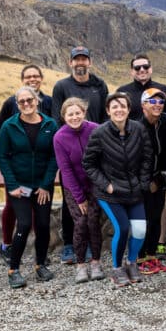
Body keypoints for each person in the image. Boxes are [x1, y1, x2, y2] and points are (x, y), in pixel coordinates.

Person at [83, 92, 153, 287]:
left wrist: (142, 182)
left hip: (135, 191)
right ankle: (116, 268)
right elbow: (89, 164)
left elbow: (148, 158)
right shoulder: (99, 133)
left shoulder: (138, 129)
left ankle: (131, 263)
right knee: (122, 228)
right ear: (108, 111)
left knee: (139, 230)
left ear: (129, 109)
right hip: (110, 193)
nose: (119, 109)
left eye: (123, 106)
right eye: (114, 107)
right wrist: (107, 185)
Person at [0, 85, 60, 289]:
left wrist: (45, 185)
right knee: (23, 224)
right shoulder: (9, 126)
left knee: (42, 225)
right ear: (17, 105)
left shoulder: (50, 124)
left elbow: (54, 157)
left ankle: (40, 264)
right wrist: (12, 185)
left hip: (42, 187)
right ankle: (13, 269)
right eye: (22, 101)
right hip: (19, 187)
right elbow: (2, 157)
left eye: (29, 100)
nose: (26, 104)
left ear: (37, 101)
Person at [51, 46, 109, 264]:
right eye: (77, 60)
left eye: (84, 59)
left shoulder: (99, 85)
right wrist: (65, 141)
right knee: (71, 206)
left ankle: (91, 252)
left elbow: (105, 117)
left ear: (90, 62)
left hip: (94, 155)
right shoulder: (61, 86)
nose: (80, 63)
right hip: (70, 154)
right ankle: (69, 245)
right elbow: (57, 117)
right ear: (71, 63)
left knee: (93, 213)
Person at [52, 97, 105, 284]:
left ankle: (96, 262)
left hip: (95, 185)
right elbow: (65, 170)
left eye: (77, 113)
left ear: (84, 113)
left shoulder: (96, 129)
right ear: (64, 116)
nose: (74, 117)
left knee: (93, 221)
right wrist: (79, 197)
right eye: (70, 114)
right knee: (81, 223)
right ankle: (81, 265)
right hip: (73, 186)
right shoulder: (59, 137)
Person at [137, 88, 166, 275]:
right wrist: (145, 182)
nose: (157, 105)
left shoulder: (164, 123)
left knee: (156, 218)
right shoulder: (137, 127)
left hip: (159, 179)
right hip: (142, 181)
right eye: (152, 101)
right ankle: (139, 258)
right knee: (143, 221)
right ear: (143, 105)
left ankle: (151, 256)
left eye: (160, 102)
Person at [117, 54, 166, 122]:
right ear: (132, 71)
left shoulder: (163, 89)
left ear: (151, 69)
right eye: (137, 68)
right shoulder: (122, 92)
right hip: (132, 132)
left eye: (146, 67)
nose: (142, 70)